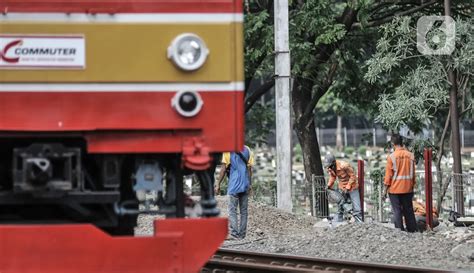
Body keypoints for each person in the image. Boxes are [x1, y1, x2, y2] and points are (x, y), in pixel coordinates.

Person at [215, 145, 254, 239]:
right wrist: (249, 185)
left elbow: (223, 169)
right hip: (245, 185)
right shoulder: (248, 150)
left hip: (234, 186)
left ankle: (235, 234)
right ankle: (242, 235)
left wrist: (218, 184)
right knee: (244, 212)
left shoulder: (228, 151)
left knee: (232, 211)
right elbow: (249, 169)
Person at [383, 134, 417, 232]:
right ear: (402, 142)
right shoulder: (410, 155)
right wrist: (412, 185)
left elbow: (388, 176)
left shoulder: (392, 157)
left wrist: (384, 190)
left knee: (397, 210)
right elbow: (413, 173)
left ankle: (399, 230)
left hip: (395, 189)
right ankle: (412, 230)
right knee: (408, 210)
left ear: (392, 143)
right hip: (407, 188)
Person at [325, 154, 362, 222]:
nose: (329, 168)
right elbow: (333, 177)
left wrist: (347, 188)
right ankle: (338, 222)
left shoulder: (344, 165)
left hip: (352, 187)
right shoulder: (330, 168)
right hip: (342, 188)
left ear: (334, 163)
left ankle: (359, 223)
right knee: (341, 206)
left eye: (330, 166)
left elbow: (353, 176)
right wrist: (328, 186)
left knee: (357, 208)